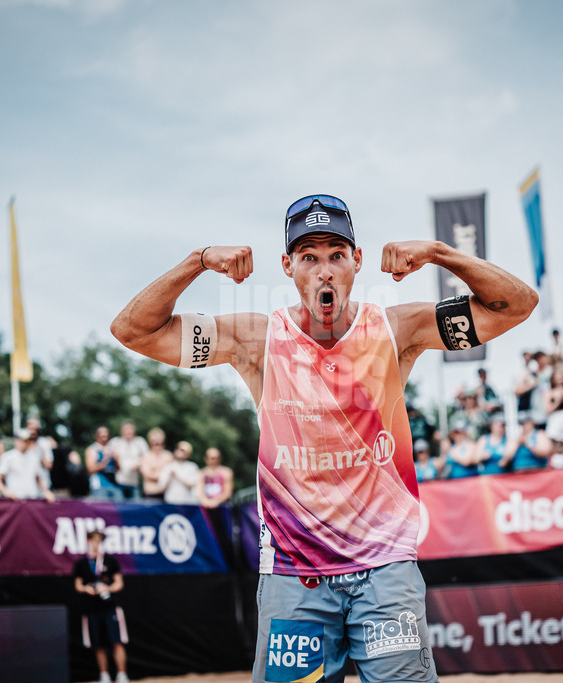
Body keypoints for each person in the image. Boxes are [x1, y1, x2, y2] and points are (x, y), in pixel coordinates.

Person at [109, 193, 537, 683]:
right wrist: (198, 261)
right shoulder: (258, 339)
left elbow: (514, 306)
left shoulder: (395, 329)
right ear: (289, 266)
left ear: (357, 261)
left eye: (336, 254)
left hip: (385, 567)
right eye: (309, 257)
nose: (324, 270)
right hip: (295, 572)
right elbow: (134, 332)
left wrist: (441, 252)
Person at [72, 529, 130, 683]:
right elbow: (77, 585)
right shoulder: (81, 563)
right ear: (87, 542)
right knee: (98, 644)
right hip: (91, 609)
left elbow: (119, 583)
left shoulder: (110, 561)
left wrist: (107, 588)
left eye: (99, 541)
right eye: (93, 540)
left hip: (110, 608)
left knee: (117, 642)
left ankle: (122, 675)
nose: (96, 544)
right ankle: (104, 675)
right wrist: (86, 589)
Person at [0, 429, 56, 501]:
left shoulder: (35, 457)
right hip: (14, 499)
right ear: (16, 440)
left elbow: (38, 478)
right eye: (21, 440)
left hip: (31, 498)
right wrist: (6, 492)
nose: (23, 443)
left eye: (27, 440)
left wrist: (46, 491)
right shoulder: (7, 457)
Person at [108, 420, 148, 500]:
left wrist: (139, 463)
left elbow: (147, 457)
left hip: (135, 482)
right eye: (126, 429)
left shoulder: (140, 442)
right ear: (121, 431)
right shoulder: (115, 442)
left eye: (130, 429)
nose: (128, 431)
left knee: (136, 507)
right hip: (118, 482)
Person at [86, 425, 124, 501]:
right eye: (102, 433)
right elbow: (90, 469)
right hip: (99, 485)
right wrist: (105, 460)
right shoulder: (92, 449)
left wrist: (116, 460)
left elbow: (118, 468)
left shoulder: (112, 449)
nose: (104, 435)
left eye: (106, 433)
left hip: (113, 484)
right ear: (97, 435)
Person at [159, 440, 200, 504]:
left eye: (183, 451)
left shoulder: (192, 467)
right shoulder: (168, 467)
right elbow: (162, 487)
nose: (180, 452)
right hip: (171, 501)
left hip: (187, 502)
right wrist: (170, 476)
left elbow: (192, 484)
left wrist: (177, 475)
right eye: (178, 449)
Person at [138, 427, 172, 502]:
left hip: (167, 495)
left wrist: (155, 472)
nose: (156, 444)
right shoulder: (145, 457)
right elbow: (147, 474)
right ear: (150, 442)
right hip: (150, 495)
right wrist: (163, 474)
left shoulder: (168, 456)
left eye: (159, 442)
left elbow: (172, 475)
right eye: (154, 442)